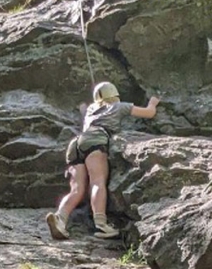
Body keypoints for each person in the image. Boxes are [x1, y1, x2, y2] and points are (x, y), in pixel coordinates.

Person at [47, 81, 159, 240]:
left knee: (77, 188)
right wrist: (153, 102)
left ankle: (60, 218)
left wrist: (85, 108)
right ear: (114, 95)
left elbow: (84, 109)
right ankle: (102, 224)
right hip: (96, 139)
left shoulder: (91, 110)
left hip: (76, 143)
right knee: (97, 181)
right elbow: (149, 113)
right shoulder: (119, 106)